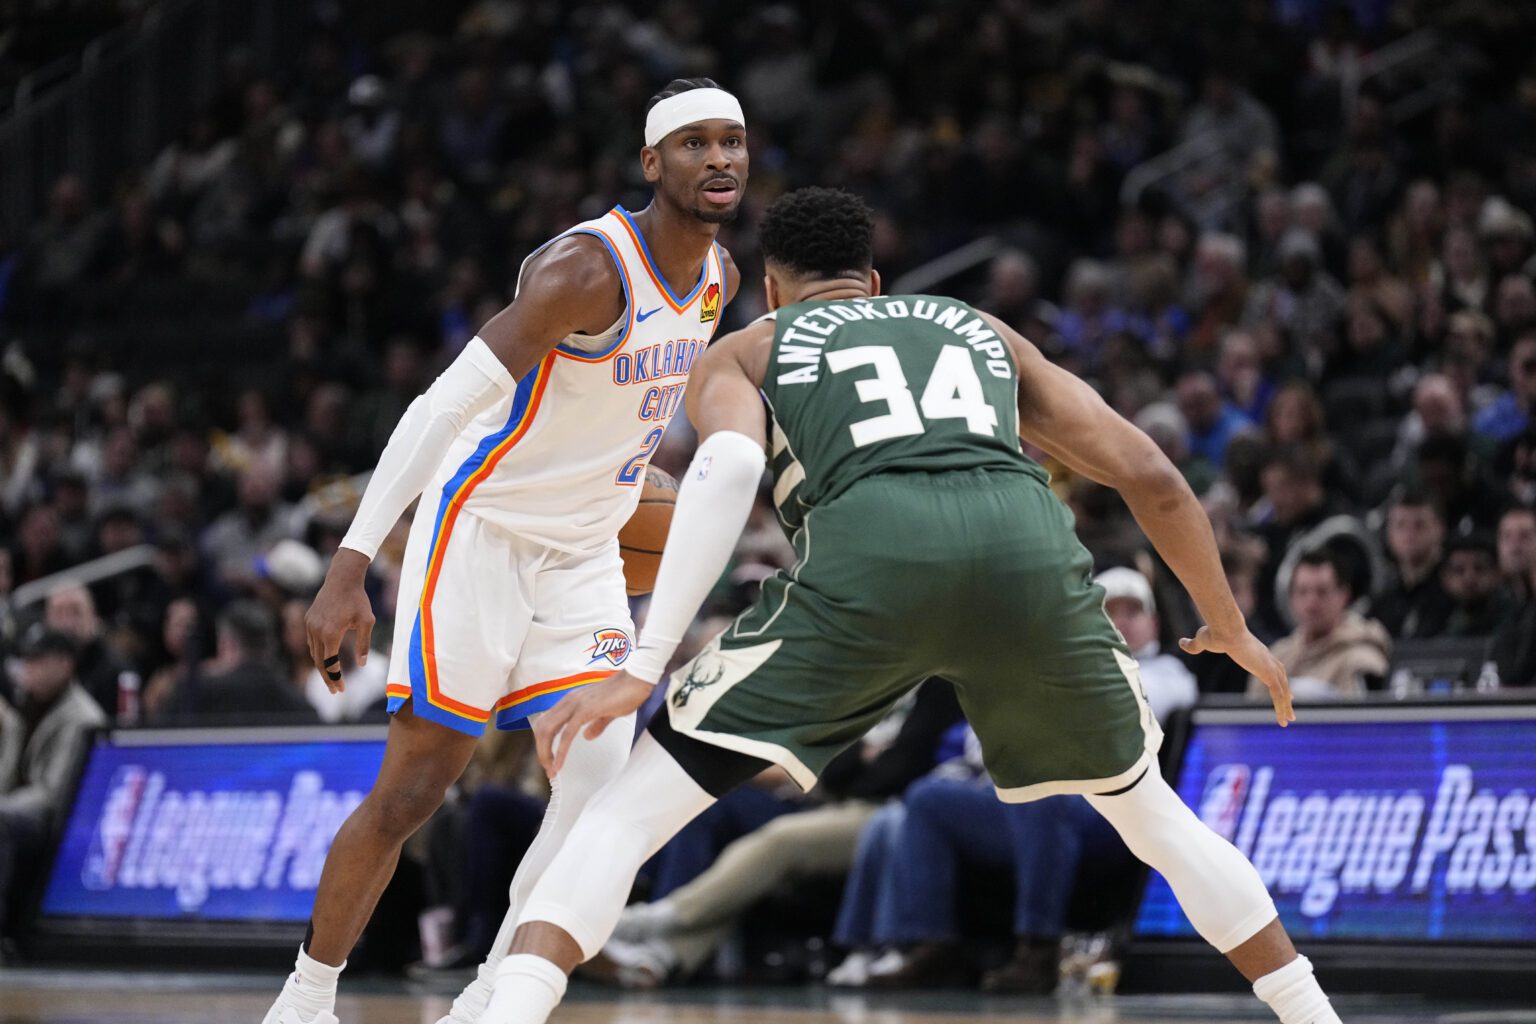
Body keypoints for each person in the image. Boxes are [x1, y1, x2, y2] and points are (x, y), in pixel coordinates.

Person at [499, 188, 1339, 1024]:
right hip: (1026, 556)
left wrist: (645, 661)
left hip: (871, 561)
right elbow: (1150, 473)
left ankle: (502, 1013)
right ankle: (1313, 1014)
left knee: (629, 812)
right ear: (873, 281)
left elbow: (727, 473)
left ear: (772, 287)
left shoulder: (750, 349)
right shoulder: (982, 329)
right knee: (1155, 818)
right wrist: (1229, 624)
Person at [262, 79, 747, 1024]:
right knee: (414, 792)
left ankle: (495, 989)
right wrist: (352, 565)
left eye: (731, 141)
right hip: (480, 532)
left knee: (600, 767)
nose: (719, 159)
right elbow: (439, 408)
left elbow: (637, 417)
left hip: (587, 548)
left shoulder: (720, 279)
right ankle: (307, 995)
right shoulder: (585, 271)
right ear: (652, 163)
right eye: (694, 144)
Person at [0, 629, 107, 937]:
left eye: (37, 660)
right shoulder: (25, 709)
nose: (28, 668)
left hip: (60, 820)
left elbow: (54, 793)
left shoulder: (82, 717)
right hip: (17, 810)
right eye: (26, 660)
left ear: (64, 664)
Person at [1255, 548, 1390, 700]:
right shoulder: (1275, 658)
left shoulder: (1362, 662)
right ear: (1291, 598)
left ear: (1343, 595)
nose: (1311, 603)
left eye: (1322, 591)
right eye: (1302, 592)